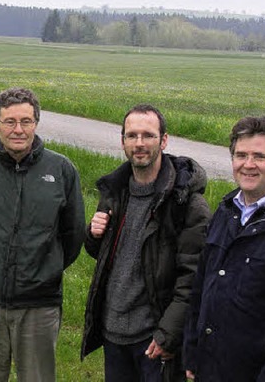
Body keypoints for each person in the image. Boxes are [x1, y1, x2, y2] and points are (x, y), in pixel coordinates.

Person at [0, 87, 86, 381]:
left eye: (26, 121)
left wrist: (45, 269)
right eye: (10, 122)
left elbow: (73, 233)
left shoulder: (62, 169)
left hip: (39, 304)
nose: (18, 130)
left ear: (36, 124)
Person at [81, 104, 211, 382]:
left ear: (164, 140)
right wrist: (93, 235)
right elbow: (102, 254)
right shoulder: (116, 191)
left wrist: (168, 334)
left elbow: (194, 278)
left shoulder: (187, 204)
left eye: (148, 135)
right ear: (123, 141)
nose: (139, 143)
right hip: (112, 334)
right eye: (132, 136)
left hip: (153, 340)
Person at [183, 116, 265, 381]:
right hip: (211, 368)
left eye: (259, 156)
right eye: (241, 155)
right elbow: (201, 286)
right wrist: (192, 350)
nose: (248, 165)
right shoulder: (227, 209)